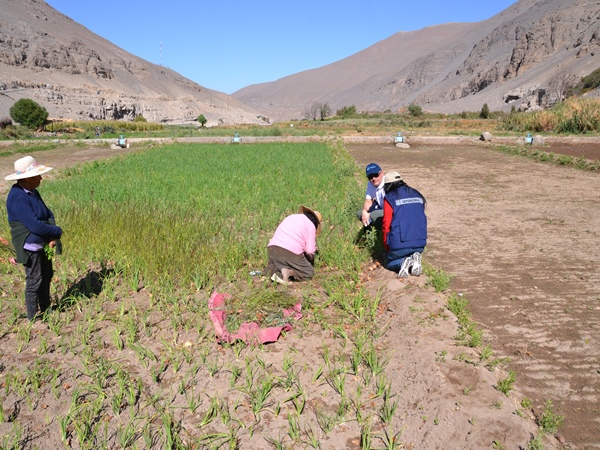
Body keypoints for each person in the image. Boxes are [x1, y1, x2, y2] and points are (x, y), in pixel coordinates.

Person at [4, 156, 63, 322]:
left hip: (42, 243)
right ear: (28, 178)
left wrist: (52, 235)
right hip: (31, 247)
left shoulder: (32, 192)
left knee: (47, 275)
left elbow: (47, 212)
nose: (41, 178)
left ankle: (45, 309)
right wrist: (56, 231)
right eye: (38, 175)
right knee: (34, 280)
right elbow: (35, 226)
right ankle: (32, 317)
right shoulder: (18, 197)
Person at [382, 171, 427, 278]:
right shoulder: (417, 194)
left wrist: (386, 245)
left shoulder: (390, 197)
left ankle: (403, 262)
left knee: (389, 263)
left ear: (388, 185)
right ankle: (414, 258)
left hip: (400, 245)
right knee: (410, 254)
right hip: (420, 244)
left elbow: (386, 224)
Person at [266, 205, 322, 284]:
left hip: (272, 248)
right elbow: (309, 251)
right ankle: (289, 273)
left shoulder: (291, 217)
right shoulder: (311, 226)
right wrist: (310, 259)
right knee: (308, 272)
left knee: (277, 264)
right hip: (288, 251)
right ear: (315, 223)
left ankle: (274, 274)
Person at [358, 162, 385, 228]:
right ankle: (372, 232)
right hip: (380, 207)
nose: (373, 179)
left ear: (382, 173)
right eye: (370, 177)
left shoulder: (388, 183)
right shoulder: (370, 184)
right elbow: (368, 201)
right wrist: (364, 212)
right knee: (360, 213)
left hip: (391, 210)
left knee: (373, 215)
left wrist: (369, 215)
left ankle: (382, 232)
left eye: (376, 175)